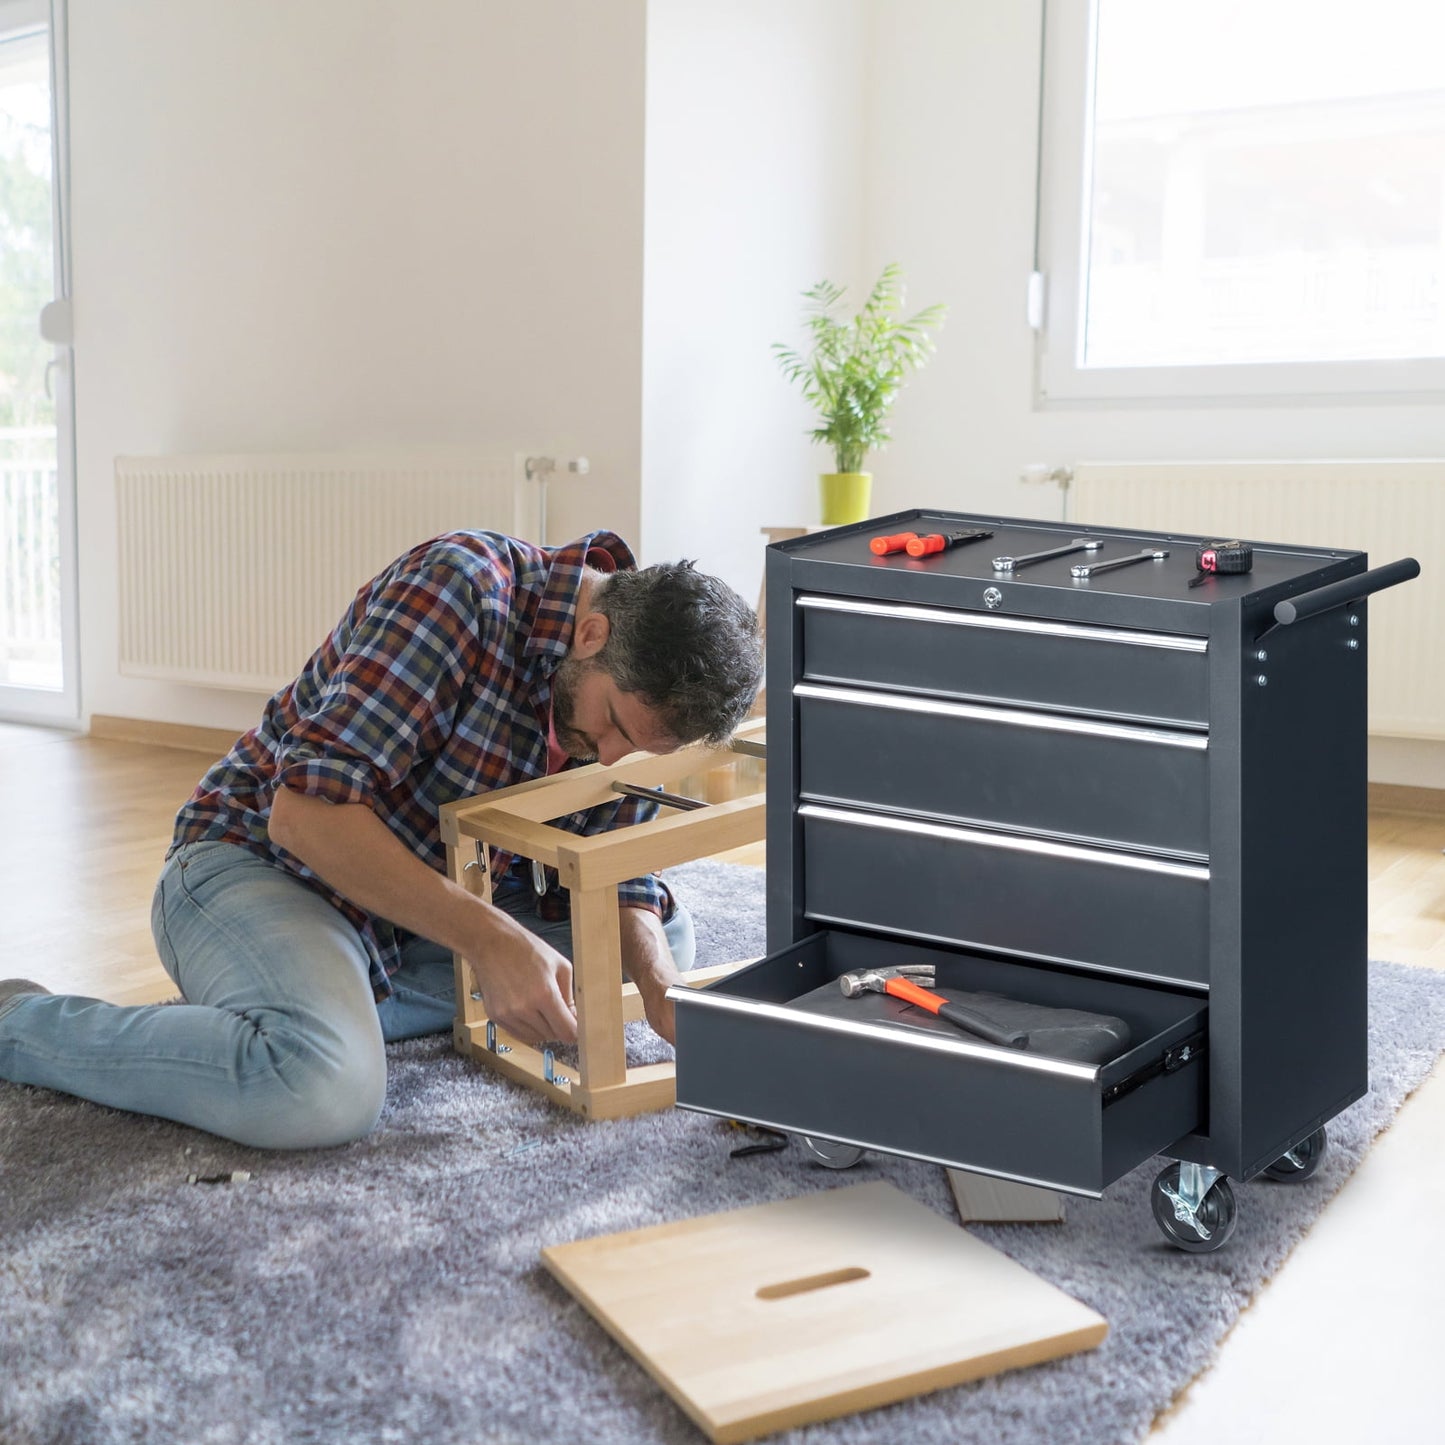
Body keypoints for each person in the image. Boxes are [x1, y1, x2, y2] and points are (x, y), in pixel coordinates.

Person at [0, 529, 762, 1150]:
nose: (612, 759)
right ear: (591, 633)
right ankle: (20, 1024)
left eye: (639, 752)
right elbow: (302, 816)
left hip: (414, 908)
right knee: (324, 1091)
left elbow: (614, 869)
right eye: (617, 728)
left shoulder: (616, 695)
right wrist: (494, 943)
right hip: (260, 866)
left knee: (666, 939)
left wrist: (661, 988)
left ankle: (337, 1005)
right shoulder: (460, 591)